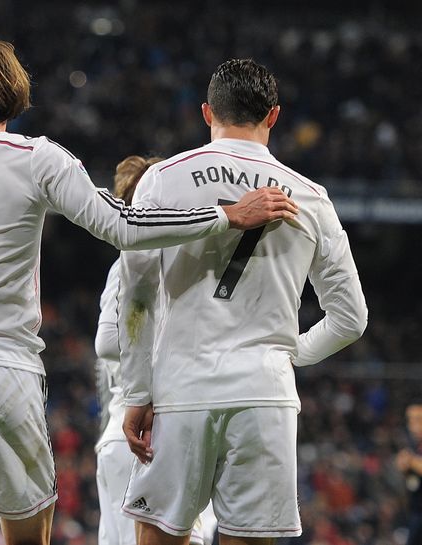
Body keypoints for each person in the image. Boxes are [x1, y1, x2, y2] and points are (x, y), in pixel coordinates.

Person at [0, 34, 297, 545]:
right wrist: (226, 215)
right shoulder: (35, 158)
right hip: (5, 366)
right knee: (30, 530)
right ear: (13, 91)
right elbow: (124, 226)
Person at [117, 58, 368, 545]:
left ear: (207, 112)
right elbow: (350, 317)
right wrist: (285, 354)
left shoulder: (163, 179)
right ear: (274, 116)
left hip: (181, 389)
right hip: (264, 394)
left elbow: (138, 297)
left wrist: (137, 391)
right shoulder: (312, 197)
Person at [95, 156, 205, 545]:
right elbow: (108, 340)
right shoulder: (131, 264)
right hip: (140, 437)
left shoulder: (184, 261)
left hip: (168, 430)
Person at [396, 401, 422, 545]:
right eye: (410, 419)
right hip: (416, 509)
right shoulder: (414, 445)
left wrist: (411, 461)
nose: (412, 424)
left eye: (418, 419)